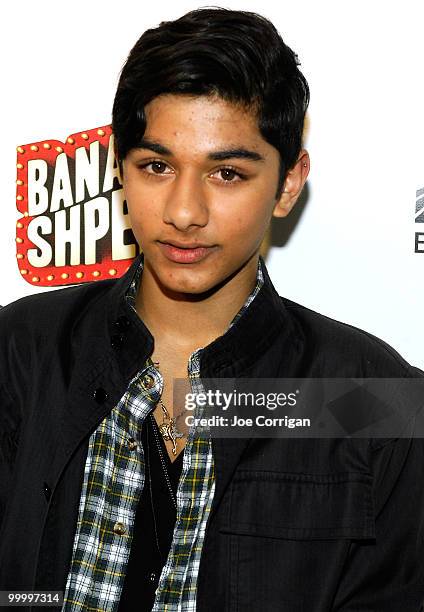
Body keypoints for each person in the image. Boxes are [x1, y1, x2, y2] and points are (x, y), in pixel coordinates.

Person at [0, 7, 423, 612]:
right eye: (157, 166)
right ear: (119, 169)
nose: (184, 211)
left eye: (226, 173)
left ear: (287, 185)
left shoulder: (373, 394)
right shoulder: (21, 350)